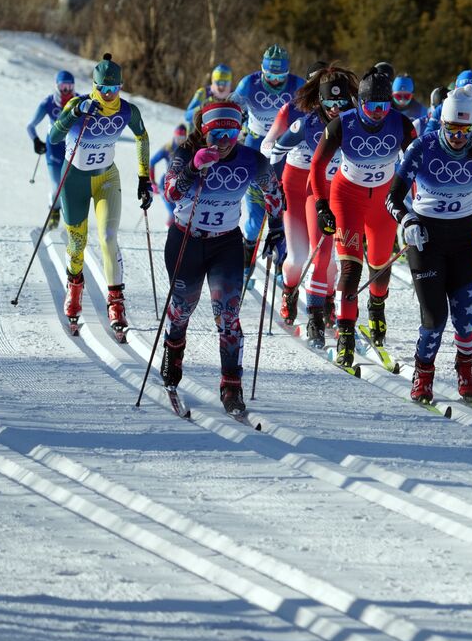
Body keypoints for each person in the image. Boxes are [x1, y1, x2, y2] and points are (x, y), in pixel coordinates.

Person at [386, 85, 472, 402]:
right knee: (435, 317)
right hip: (426, 238)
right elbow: (393, 197)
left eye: (466, 130)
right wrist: (406, 220)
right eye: (453, 129)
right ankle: (423, 374)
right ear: (443, 124)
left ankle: (466, 369)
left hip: (464, 238)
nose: (459, 137)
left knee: (466, 317)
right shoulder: (421, 148)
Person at [159, 101, 284, 416]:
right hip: (186, 240)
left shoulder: (250, 159)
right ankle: (173, 354)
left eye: (232, 132)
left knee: (228, 317)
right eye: (217, 133)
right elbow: (170, 193)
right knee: (183, 307)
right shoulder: (187, 154)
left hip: (225, 244)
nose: (225, 140)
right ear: (204, 133)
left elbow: (274, 192)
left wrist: (278, 229)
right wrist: (192, 169)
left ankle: (231, 387)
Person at [311, 69, 418, 368]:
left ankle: (376, 307)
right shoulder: (340, 125)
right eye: (371, 107)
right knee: (350, 269)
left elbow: (418, 164)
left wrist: (421, 203)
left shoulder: (401, 124)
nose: (377, 115)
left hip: (384, 201)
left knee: (380, 269)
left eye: (384, 108)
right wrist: (322, 206)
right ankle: (345, 333)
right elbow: (318, 167)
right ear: (359, 103)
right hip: (347, 198)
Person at [48, 53, 153, 335]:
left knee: (108, 238)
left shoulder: (127, 111)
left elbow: (142, 137)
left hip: (106, 177)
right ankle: (74, 289)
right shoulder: (78, 104)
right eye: (103, 89)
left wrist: (144, 177)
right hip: (74, 180)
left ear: (121, 86)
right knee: (77, 243)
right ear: (94, 85)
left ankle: (116, 303)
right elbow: (53, 138)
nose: (108, 95)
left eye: (114, 89)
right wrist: (74, 113)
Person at [269, 67, 356, 347]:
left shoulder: (353, 120)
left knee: (327, 256)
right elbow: (274, 149)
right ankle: (290, 290)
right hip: (299, 186)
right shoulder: (302, 121)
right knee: (297, 258)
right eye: (329, 102)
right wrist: (275, 187)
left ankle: (322, 304)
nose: (335, 108)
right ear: (318, 98)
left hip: (333, 189)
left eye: (341, 103)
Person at [234, 45, 304, 280]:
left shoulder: (297, 86)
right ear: (261, 71)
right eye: (270, 76)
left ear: (288, 73)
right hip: (255, 148)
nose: (274, 82)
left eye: (280, 77)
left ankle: (281, 261)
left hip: (284, 151)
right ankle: (246, 258)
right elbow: (231, 111)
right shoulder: (249, 84)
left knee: (283, 208)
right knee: (254, 220)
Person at [27, 70, 76, 230]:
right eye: (63, 87)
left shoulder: (78, 102)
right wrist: (36, 141)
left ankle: (73, 219)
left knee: (71, 185)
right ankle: (54, 211)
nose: (66, 91)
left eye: (69, 86)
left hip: (72, 148)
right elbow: (30, 126)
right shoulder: (48, 103)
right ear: (56, 86)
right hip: (53, 149)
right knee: (57, 185)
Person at [148, 123, 189, 223]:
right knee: (173, 212)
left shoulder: (189, 148)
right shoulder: (168, 148)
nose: (180, 140)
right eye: (177, 137)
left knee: (182, 212)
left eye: (182, 137)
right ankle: (169, 231)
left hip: (184, 183)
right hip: (167, 183)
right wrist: (152, 182)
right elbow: (152, 162)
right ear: (174, 136)